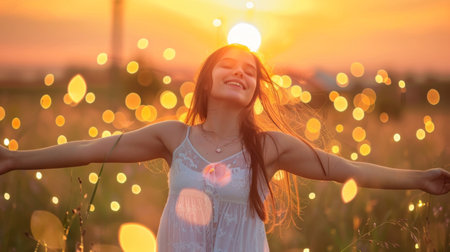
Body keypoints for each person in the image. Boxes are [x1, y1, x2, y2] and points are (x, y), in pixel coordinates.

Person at [0, 44, 449, 252]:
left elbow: (342, 168)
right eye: (228, 66)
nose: (240, 73)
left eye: (249, 72)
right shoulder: (173, 137)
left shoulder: (270, 148)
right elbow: (90, 149)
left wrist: (420, 180)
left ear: (255, 90)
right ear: (208, 80)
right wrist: (16, 160)